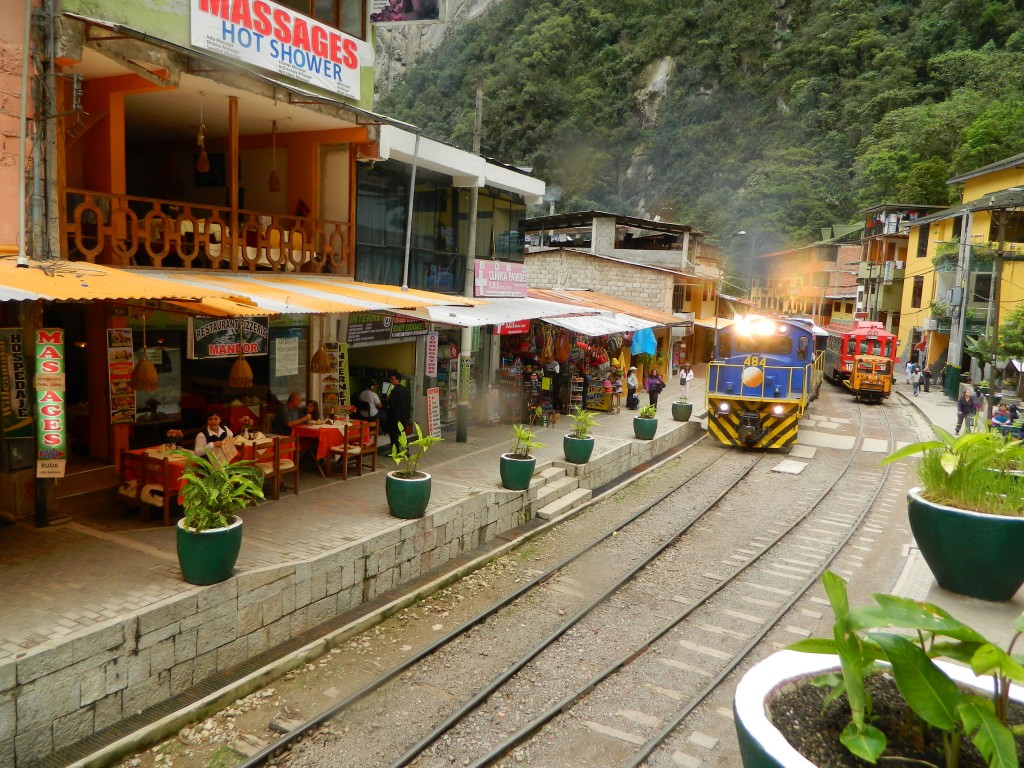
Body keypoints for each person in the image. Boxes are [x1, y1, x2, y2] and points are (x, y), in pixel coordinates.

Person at [383, 372, 411, 454]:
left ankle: (395, 452)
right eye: (390, 379)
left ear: (398, 380)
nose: (391, 381)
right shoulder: (405, 390)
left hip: (395, 417)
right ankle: (406, 450)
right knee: (402, 434)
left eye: (393, 379)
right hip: (404, 415)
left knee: (393, 435)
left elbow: (392, 405)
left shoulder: (394, 391)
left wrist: (387, 400)